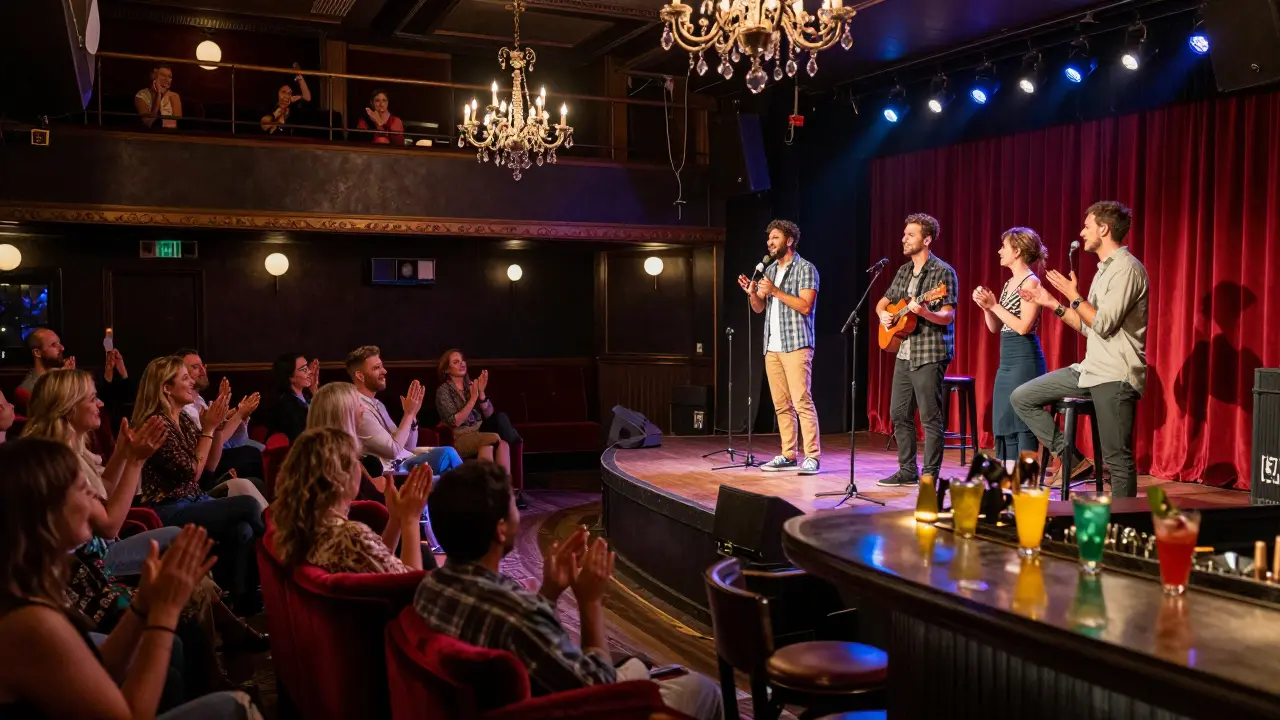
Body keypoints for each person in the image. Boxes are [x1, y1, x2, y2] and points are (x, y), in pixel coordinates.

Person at [414, 461, 723, 720]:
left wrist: (550, 591)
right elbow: (600, 693)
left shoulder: (429, 587)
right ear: (501, 528)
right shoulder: (517, 612)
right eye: (512, 502)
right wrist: (590, 602)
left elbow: (523, 639)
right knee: (701, 689)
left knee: (638, 664)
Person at [0, 438, 260, 719]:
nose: (93, 494)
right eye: (80, 488)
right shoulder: (29, 624)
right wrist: (164, 613)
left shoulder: (33, 590)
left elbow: (103, 667)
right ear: (44, 513)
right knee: (234, 707)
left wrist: (144, 604)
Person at [1013, 201, 1148, 497]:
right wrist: (1052, 303)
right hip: (1090, 369)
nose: (1081, 232)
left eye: (1087, 226)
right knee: (1022, 397)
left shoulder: (1126, 269)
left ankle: (1123, 524)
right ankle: (1072, 460)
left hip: (1115, 374)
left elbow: (1103, 324)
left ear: (1104, 228)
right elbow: (1088, 326)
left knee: (1117, 458)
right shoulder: (1104, 270)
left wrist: (1074, 296)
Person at [133, 356, 266, 612]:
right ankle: (285, 559)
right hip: (168, 509)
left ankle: (243, 603)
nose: (192, 382)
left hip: (193, 500)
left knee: (243, 529)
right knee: (248, 503)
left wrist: (214, 429)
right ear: (165, 388)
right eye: (185, 378)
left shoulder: (181, 419)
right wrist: (208, 429)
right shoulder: (156, 424)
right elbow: (191, 474)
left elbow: (211, 466)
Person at [271, 427, 432, 574]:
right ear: (339, 478)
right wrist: (410, 520)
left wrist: (396, 520)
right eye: (356, 460)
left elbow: (377, 570)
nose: (360, 467)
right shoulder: (350, 539)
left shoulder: (298, 530)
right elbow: (411, 590)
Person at [876, 213, 960, 487]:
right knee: (899, 413)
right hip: (904, 351)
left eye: (910, 235)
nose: (904, 239)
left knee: (929, 416)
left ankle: (930, 474)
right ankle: (907, 470)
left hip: (930, 352)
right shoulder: (903, 271)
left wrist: (924, 311)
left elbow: (947, 316)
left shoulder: (943, 273)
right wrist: (884, 316)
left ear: (927, 239)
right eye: (905, 234)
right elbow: (883, 302)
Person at [736, 219, 822, 475]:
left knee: (802, 401)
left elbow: (806, 306)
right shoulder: (770, 270)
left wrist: (774, 291)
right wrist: (753, 293)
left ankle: (813, 457)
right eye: (769, 239)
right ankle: (788, 454)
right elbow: (759, 308)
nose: (770, 243)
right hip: (772, 346)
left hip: (796, 344)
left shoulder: (806, 269)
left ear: (789, 240)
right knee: (781, 404)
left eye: (775, 238)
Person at [971, 228, 1048, 471]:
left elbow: (1024, 327)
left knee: (1021, 421)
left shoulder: (1032, 282)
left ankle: (1024, 481)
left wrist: (995, 305)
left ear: (1016, 251)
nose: (999, 251)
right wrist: (987, 307)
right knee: (1004, 419)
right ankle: (1008, 477)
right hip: (1006, 362)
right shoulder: (1008, 283)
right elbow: (996, 327)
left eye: (1003, 246)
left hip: (1024, 359)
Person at [346, 345, 462, 476]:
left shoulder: (378, 404)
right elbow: (393, 450)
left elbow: (408, 447)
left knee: (450, 468)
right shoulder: (359, 409)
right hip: (393, 471)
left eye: (382, 366)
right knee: (447, 454)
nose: (384, 371)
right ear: (360, 376)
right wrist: (408, 413)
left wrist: (412, 417)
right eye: (376, 368)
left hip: (406, 461)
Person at [435, 350, 521, 490]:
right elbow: (454, 422)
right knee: (494, 438)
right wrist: (473, 398)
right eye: (456, 362)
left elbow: (489, 415)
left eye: (462, 360)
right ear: (446, 370)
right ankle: (488, 492)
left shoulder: (471, 386)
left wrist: (481, 395)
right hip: (461, 436)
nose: (462, 363)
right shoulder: (443, 392)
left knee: (502, 439)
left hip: (480, 431)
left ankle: (505, 491)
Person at [176, 349, 265, 482]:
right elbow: (214, 439)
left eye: (203, 365)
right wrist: (239, 414)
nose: (203, 370)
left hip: (212, 459)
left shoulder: (199, 399)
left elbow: (215, 427)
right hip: (205, 465)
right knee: (252, 453)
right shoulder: (184, 408)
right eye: (195, 367)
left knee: (258, 449)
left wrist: (234, 411)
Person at [264, 353, 318, 442]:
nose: (310, 372)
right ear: (291, 378)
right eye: (304, 369)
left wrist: (314, 388)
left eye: (308, 368)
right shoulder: (286, 406)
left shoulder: (306, 397)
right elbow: (302, 438)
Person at [260, 66, 312, 135]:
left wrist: (300, 78)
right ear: (277, 93)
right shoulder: (270, 107)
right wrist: (277, 113)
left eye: (289, 93)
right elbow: (264, 126)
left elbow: (307, 98)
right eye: (283, 92)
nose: (286, 96)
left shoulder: (294, 111)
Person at [135, 64, 182, 129]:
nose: (167, 80)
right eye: (163, 75)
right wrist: (158, 94)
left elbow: (177, 125)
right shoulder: (142, 95)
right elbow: (148, 123)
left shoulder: (174, 96)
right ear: (153, 76)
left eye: (169, 77)